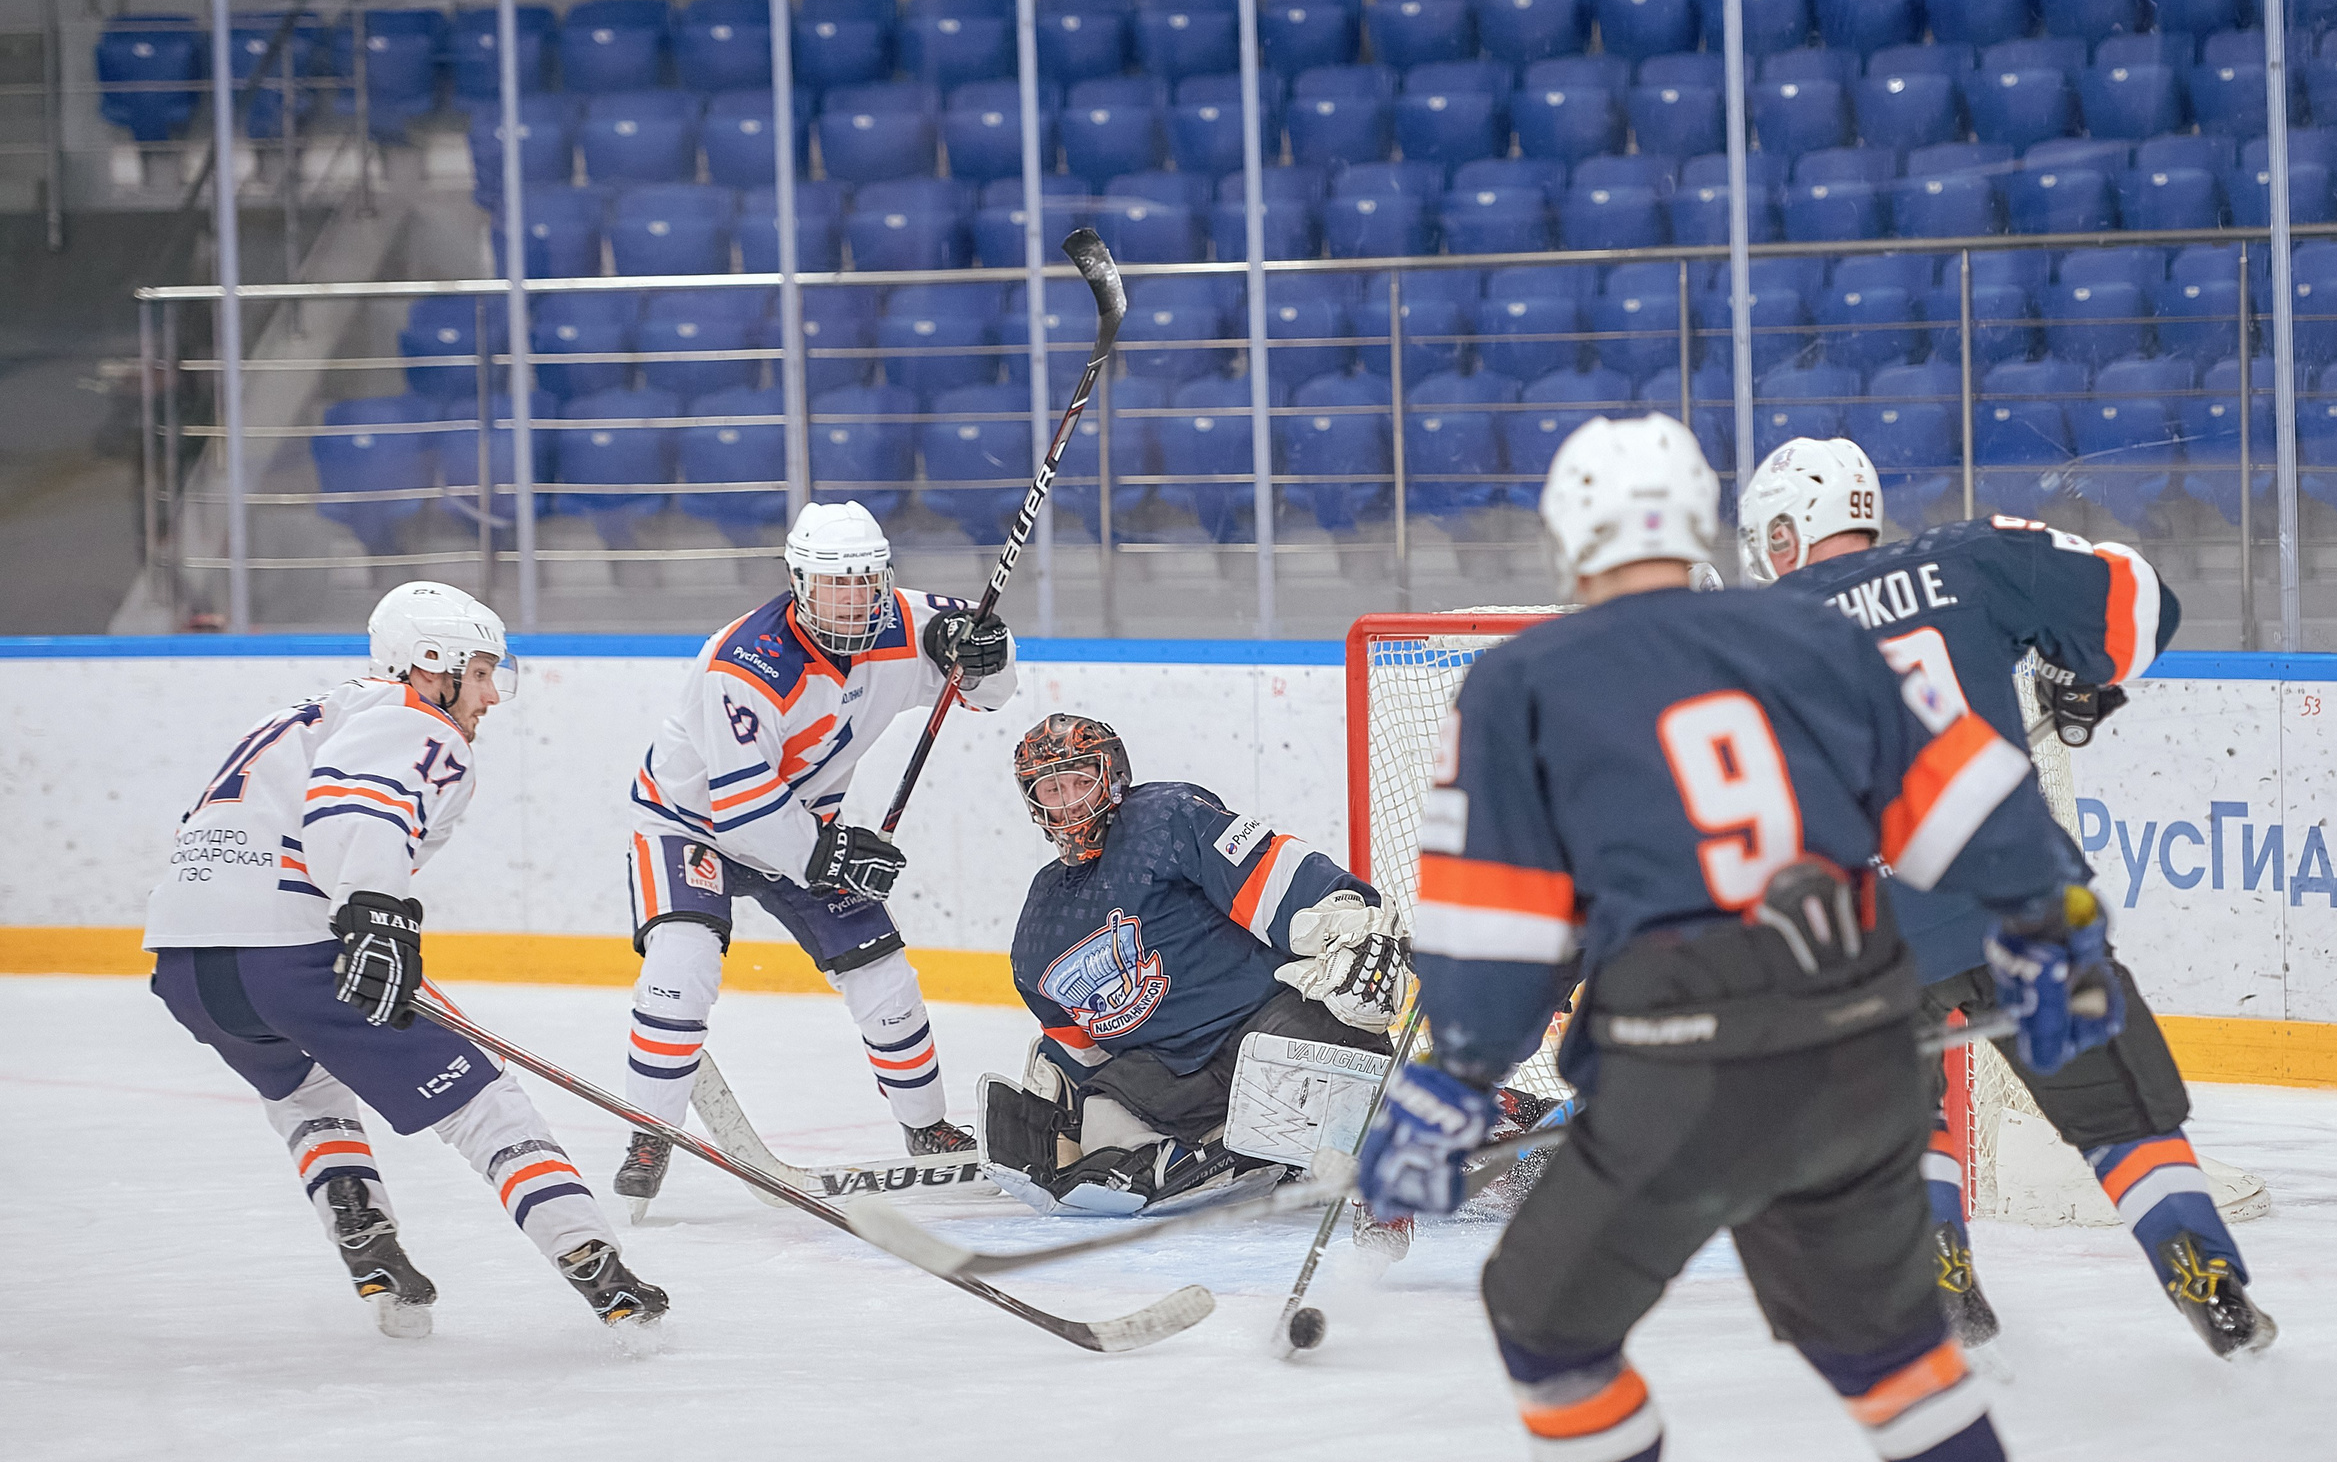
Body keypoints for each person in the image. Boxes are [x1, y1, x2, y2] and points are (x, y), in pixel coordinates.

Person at [1357, 413, 2116, 1462]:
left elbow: (1497, 926)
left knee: (1541, 1314)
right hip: (1867, 1051)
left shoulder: (1522, 680)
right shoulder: (1816, 629)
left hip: (1683, 1072)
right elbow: (1966, 795)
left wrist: (1449, 1080)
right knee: (1881, 1340)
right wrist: (2054, 932)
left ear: (1569, 536)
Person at [1743, 436, 2275, 1360]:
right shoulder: (1973, 556)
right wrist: (2080, 674)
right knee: (2119, 1113)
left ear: (1785, 536)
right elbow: (2143, 606)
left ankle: (1942, 1277)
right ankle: (2208, 1284)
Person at [143, 583, 666, 1340]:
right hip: (289, 951)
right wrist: (377, 918)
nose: (491, 696)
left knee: (305, 1090)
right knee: (486, 1102)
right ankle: (598, 1266)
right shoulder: (416, 720)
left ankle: (370, 1248)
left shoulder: (296, 718)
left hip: (187, 965)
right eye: (480, 673)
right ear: (429, 666)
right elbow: (355, 808)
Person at [612, 502, 1016, 1205]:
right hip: (689, 824)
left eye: (867, 581)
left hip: (803, 827)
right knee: (683, 964)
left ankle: (926, 1128)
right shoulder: (744, 664)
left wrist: (986, 656)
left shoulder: (912, 622)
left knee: (882, 972)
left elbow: (994, 695)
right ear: (799, 582)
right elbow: (740, 809)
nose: (855, 598)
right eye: (836, 583)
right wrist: (832, 859)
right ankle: (649, 1132)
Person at [986, 712, 1540, 1217]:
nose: (1070, 800)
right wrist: (1064, 1109)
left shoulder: (1165, 819)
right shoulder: (1039, 928)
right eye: (1052, 788)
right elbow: (1079, 1049)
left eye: (1081, 780)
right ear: (1035, 804)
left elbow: (1276, 878)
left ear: (1113, 776)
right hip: (1178, 1064)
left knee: (1295, 1086)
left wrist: (1352, 928)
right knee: (1109, 1135)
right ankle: (1262, 1153)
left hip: (1271, 1018)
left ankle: (1512, 1144)